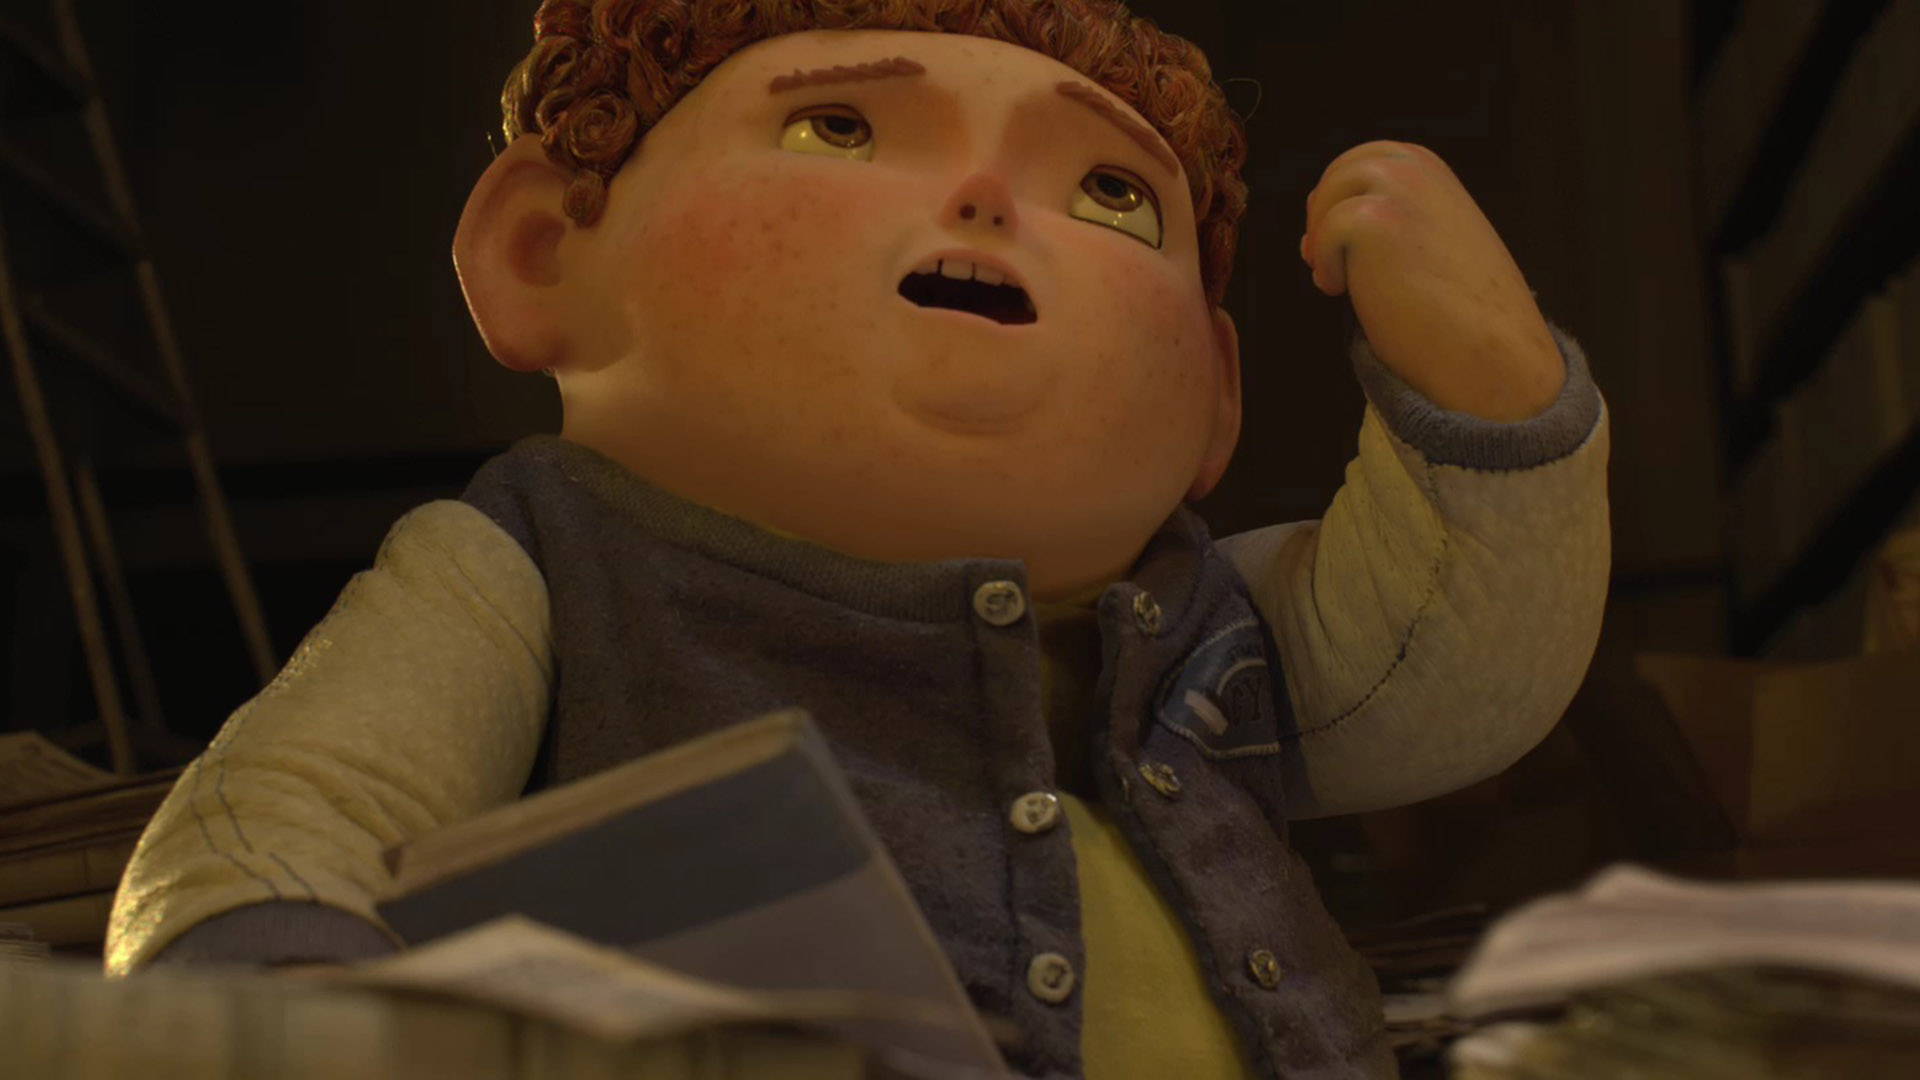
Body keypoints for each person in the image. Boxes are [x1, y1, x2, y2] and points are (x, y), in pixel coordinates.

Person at [104, 2, 1611, 1077]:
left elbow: (1441, 671)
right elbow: (306, 804)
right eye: (839, 125)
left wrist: (1489, 398)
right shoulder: (542, 565)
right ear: (544, 253)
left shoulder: (1205, 608)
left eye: (1109, 194)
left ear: (1216, 393)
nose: (987, 200)